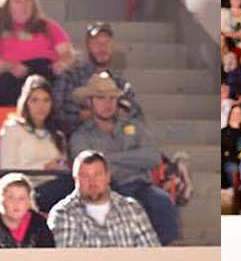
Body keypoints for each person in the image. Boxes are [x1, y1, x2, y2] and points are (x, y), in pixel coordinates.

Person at [69, 72, 179, 245]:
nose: (108, 103)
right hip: (109, 190)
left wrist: (109, 159)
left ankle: (164, 253)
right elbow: (88, 168)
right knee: (132, 208)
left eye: (112, 98)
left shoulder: (133, 126)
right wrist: (133, 158)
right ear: (90, 102)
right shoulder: (81, 135)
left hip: (141, 185)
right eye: (101, 98)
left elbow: (152, 157)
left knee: (162, 202)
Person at [0, 0, 75, 106]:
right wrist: (10, 66)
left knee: (65, 80)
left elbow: (68, 53)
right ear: (6, 5)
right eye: (18, 2)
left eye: (28, 1)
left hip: (47, 74)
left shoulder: (47, 26)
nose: (24, 6)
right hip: (13, 77)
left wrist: (62, 63)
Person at [47, 150, 159, 248]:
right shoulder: (62, 213)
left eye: (98, 174)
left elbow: (152, 254)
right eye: (85, 176)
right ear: (75, 179)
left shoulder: (132, 209)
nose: (92, 181)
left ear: (108, 176)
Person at [52, 21, 142, 135]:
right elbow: (58, 113)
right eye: (96, 43)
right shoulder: (70, 77)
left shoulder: (121, 84)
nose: (102, 47)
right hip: (80, 142)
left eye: (106, 42)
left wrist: (90, 113)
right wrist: (100, 114)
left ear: (113, 46)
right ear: (87, 46)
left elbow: (135, 113)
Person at [0, 75, 71, 211]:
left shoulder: (57, 134)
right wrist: (44, 168)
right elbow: (7, 169)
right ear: (26, 102)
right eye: (35, 100)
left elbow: (62, 166)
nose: (41, 106)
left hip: (55, 186)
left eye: (46, 101)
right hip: (26, 190)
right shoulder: (13, 129)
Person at [0, 173, 56, 248]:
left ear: (29, 201)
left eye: (21, 198)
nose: (16, 204)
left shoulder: (39, 224)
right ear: (0, 200)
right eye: (10, 198)